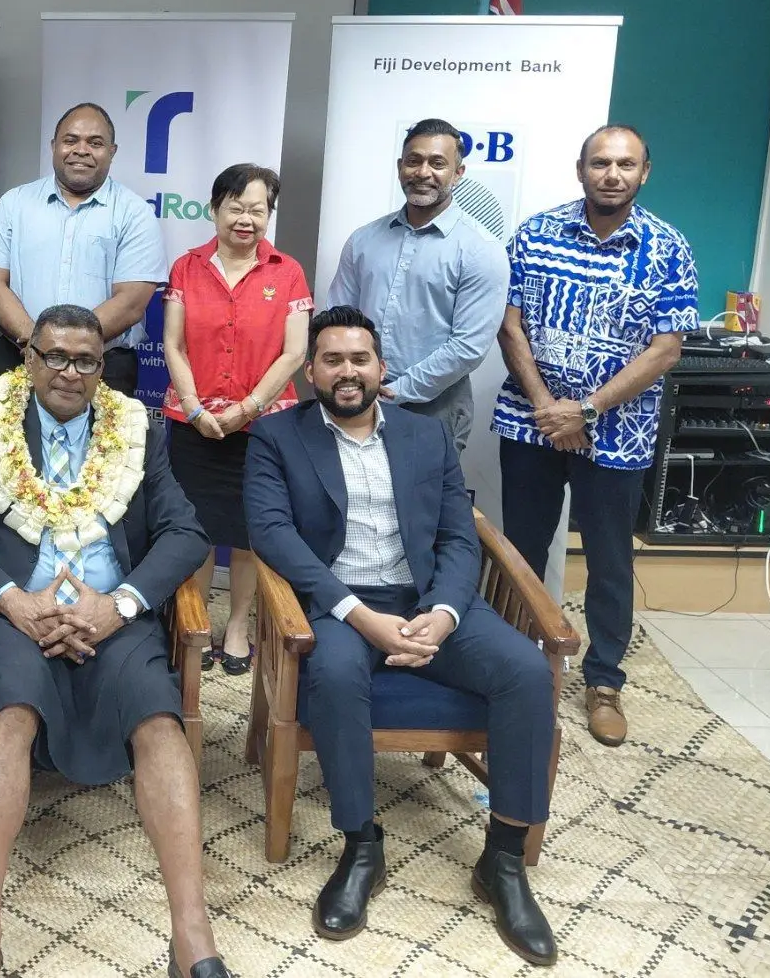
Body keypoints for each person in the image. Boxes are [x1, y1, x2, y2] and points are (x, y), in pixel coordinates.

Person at [0, 304, 229, 978]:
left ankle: (193, 937)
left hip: (111, 617)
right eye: (55, 356)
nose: (69, 371)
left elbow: (185, 532)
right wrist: (13, 600)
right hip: (11, 618)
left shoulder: (137, 430)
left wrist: (120, 605)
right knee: (10, 713)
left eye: (85, 360)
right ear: (29, 359)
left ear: (102, 369)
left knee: (160, 721)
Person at [244, 306, 559, 966]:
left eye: (360, 359)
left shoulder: (425, 435)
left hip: (426, 600)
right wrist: (358, 614)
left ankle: (503, 862)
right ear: (311, 371)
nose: (348, 371)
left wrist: (443, 613)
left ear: (380, 368)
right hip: (340, 605)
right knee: (334, 675)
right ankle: (362, 846)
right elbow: (272, 533)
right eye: (332, 359)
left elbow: (458, 535)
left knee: (527, 671)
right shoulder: (277, 437)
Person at [493, 124, 697, 748]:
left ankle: (604, 681)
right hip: (531, 423)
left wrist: (585, 410)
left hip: (618, 432)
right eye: (601, 163)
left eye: (625, 164)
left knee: (610, 560)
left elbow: (665, 350)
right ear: (580, 168)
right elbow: (508, 324)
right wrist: (547, 407)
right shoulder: (536, 233)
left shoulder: (667, 248)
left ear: (644, 172)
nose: (612, 175)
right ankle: (514, 665)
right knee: (521, 550)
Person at [160, 164, 311, 676]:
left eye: (257, 210)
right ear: (215, 209)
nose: (246, 219)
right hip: (194, 422)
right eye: (236, 208)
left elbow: (295, 353)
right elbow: (173, 345)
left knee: (250, 533)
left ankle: (239, 626)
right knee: (195, 528)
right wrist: (195, 408)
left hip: (263, 426)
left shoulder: (287, 271)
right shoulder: (187, 267)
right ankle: (196, 620)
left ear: (269, 215)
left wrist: (248, 408)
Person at [327, 118, 510, 456]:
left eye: (437, 163)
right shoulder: (363, 240)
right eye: (414, 160)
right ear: (401, 167)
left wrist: (393, 391)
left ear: (458, 173)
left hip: (434, 408)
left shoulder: (482, 250)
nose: (423, 172)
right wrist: (355, 383)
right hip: (355, 397)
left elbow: (468, 346)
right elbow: (337, 321)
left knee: (423, 493)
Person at [0, 102, 166, 397]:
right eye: (71, 140)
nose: (81, 150)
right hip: (19, 358)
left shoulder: (135, 213)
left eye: (95, 143)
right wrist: (37, 346)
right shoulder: (14, 204)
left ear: (112, 151)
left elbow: (130, 302)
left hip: (103, 368)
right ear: (54, 146)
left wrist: (61, 352)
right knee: (8, 430)